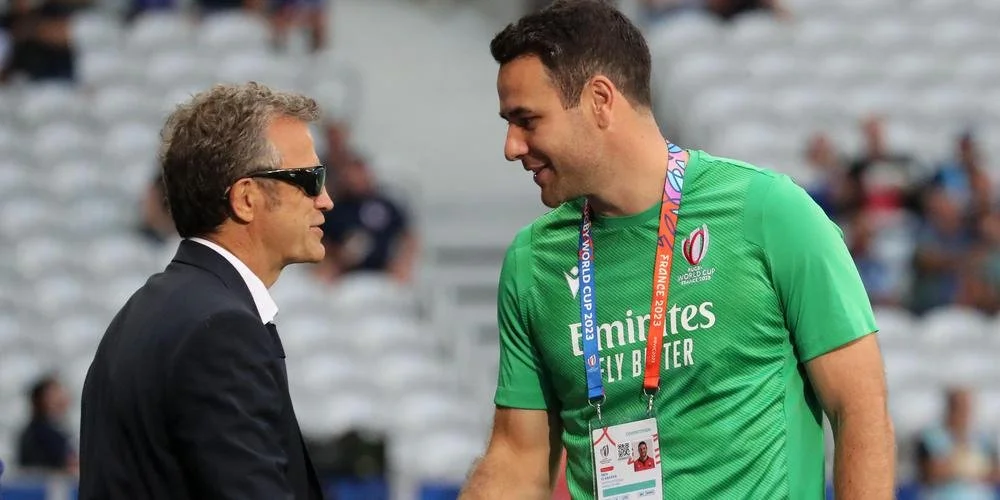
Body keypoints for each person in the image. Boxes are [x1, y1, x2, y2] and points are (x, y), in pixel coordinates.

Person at [459, 1, 895, 498]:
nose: (511, 146)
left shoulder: (770, 213)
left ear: (601, 100)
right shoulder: (532, 262)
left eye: (527, 120)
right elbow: (519, 456)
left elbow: (859, 408)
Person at [78, 82, 333, 500]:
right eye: (310, 179)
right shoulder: (221, 331)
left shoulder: (146, 312)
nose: (325, 200)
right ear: (246, 199)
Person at [916, 387, 1000, 500]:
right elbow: (929, 472)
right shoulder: (930, 437)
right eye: (958, 407)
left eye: (967, 407)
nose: (963, 413)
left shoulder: (983, 437)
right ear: (949, 408)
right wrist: (971, 467)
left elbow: (994, 472)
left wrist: (957, 466)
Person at [17, 375, 78, 475]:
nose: (62, 398)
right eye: (54, 394)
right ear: (41, 400)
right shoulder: (39, 434)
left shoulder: (57, 431)